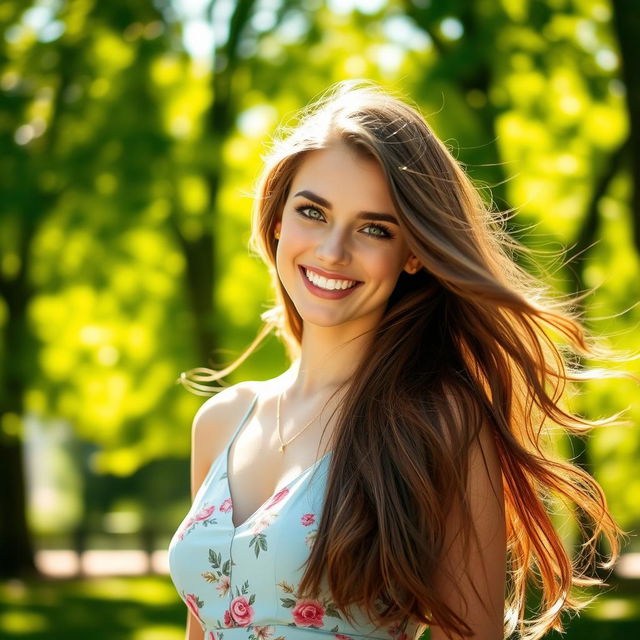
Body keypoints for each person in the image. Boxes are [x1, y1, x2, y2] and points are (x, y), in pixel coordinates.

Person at [167, 80, 627, 640]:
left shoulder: (437, 422)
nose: (333, 251)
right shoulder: (221, 421)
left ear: (412, 253)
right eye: (313, 212)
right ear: (278, 219)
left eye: (373, 228)